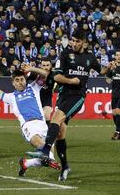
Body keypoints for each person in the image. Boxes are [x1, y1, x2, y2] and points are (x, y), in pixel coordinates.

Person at [26, 38, 112, 181]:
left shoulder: (90, 57)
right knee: (60, 132)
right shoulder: (65, 54)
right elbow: (57, 76)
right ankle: (65, 166)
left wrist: (108, 67)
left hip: (78, 96)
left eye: (77, 40)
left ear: (84, 42)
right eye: (72, 40)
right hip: (63, 95)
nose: (74, 43)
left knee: (55, 118)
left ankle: (45, 150)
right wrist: (71, 81)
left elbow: (101, 70)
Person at [0, 64, 61, 177]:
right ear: (13, 83)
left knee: (46, 158)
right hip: (28, 126)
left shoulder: (34, 88)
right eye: (17, 80)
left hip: (42, 124)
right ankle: (49, 160)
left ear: (25, 80)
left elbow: (45, 74)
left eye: (22, 79)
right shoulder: (10, 97)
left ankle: (26, 163)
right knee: (43, 147)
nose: (20, 82)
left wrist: (31, 69)